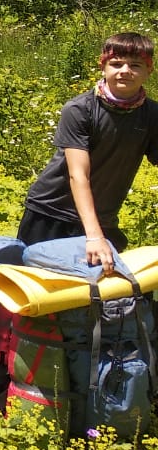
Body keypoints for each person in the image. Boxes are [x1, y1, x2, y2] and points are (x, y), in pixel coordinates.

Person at [18, 32, 158, 275]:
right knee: (42, 295)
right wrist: (94, 237)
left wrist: (97, 232)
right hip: (51, 214)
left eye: (135, 65)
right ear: (102, 66)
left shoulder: (152, 115)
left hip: (102, 218)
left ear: (149, 71)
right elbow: (78, 175)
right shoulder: (80, 109)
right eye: (116, 64)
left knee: (101, 298)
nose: (124, 70)